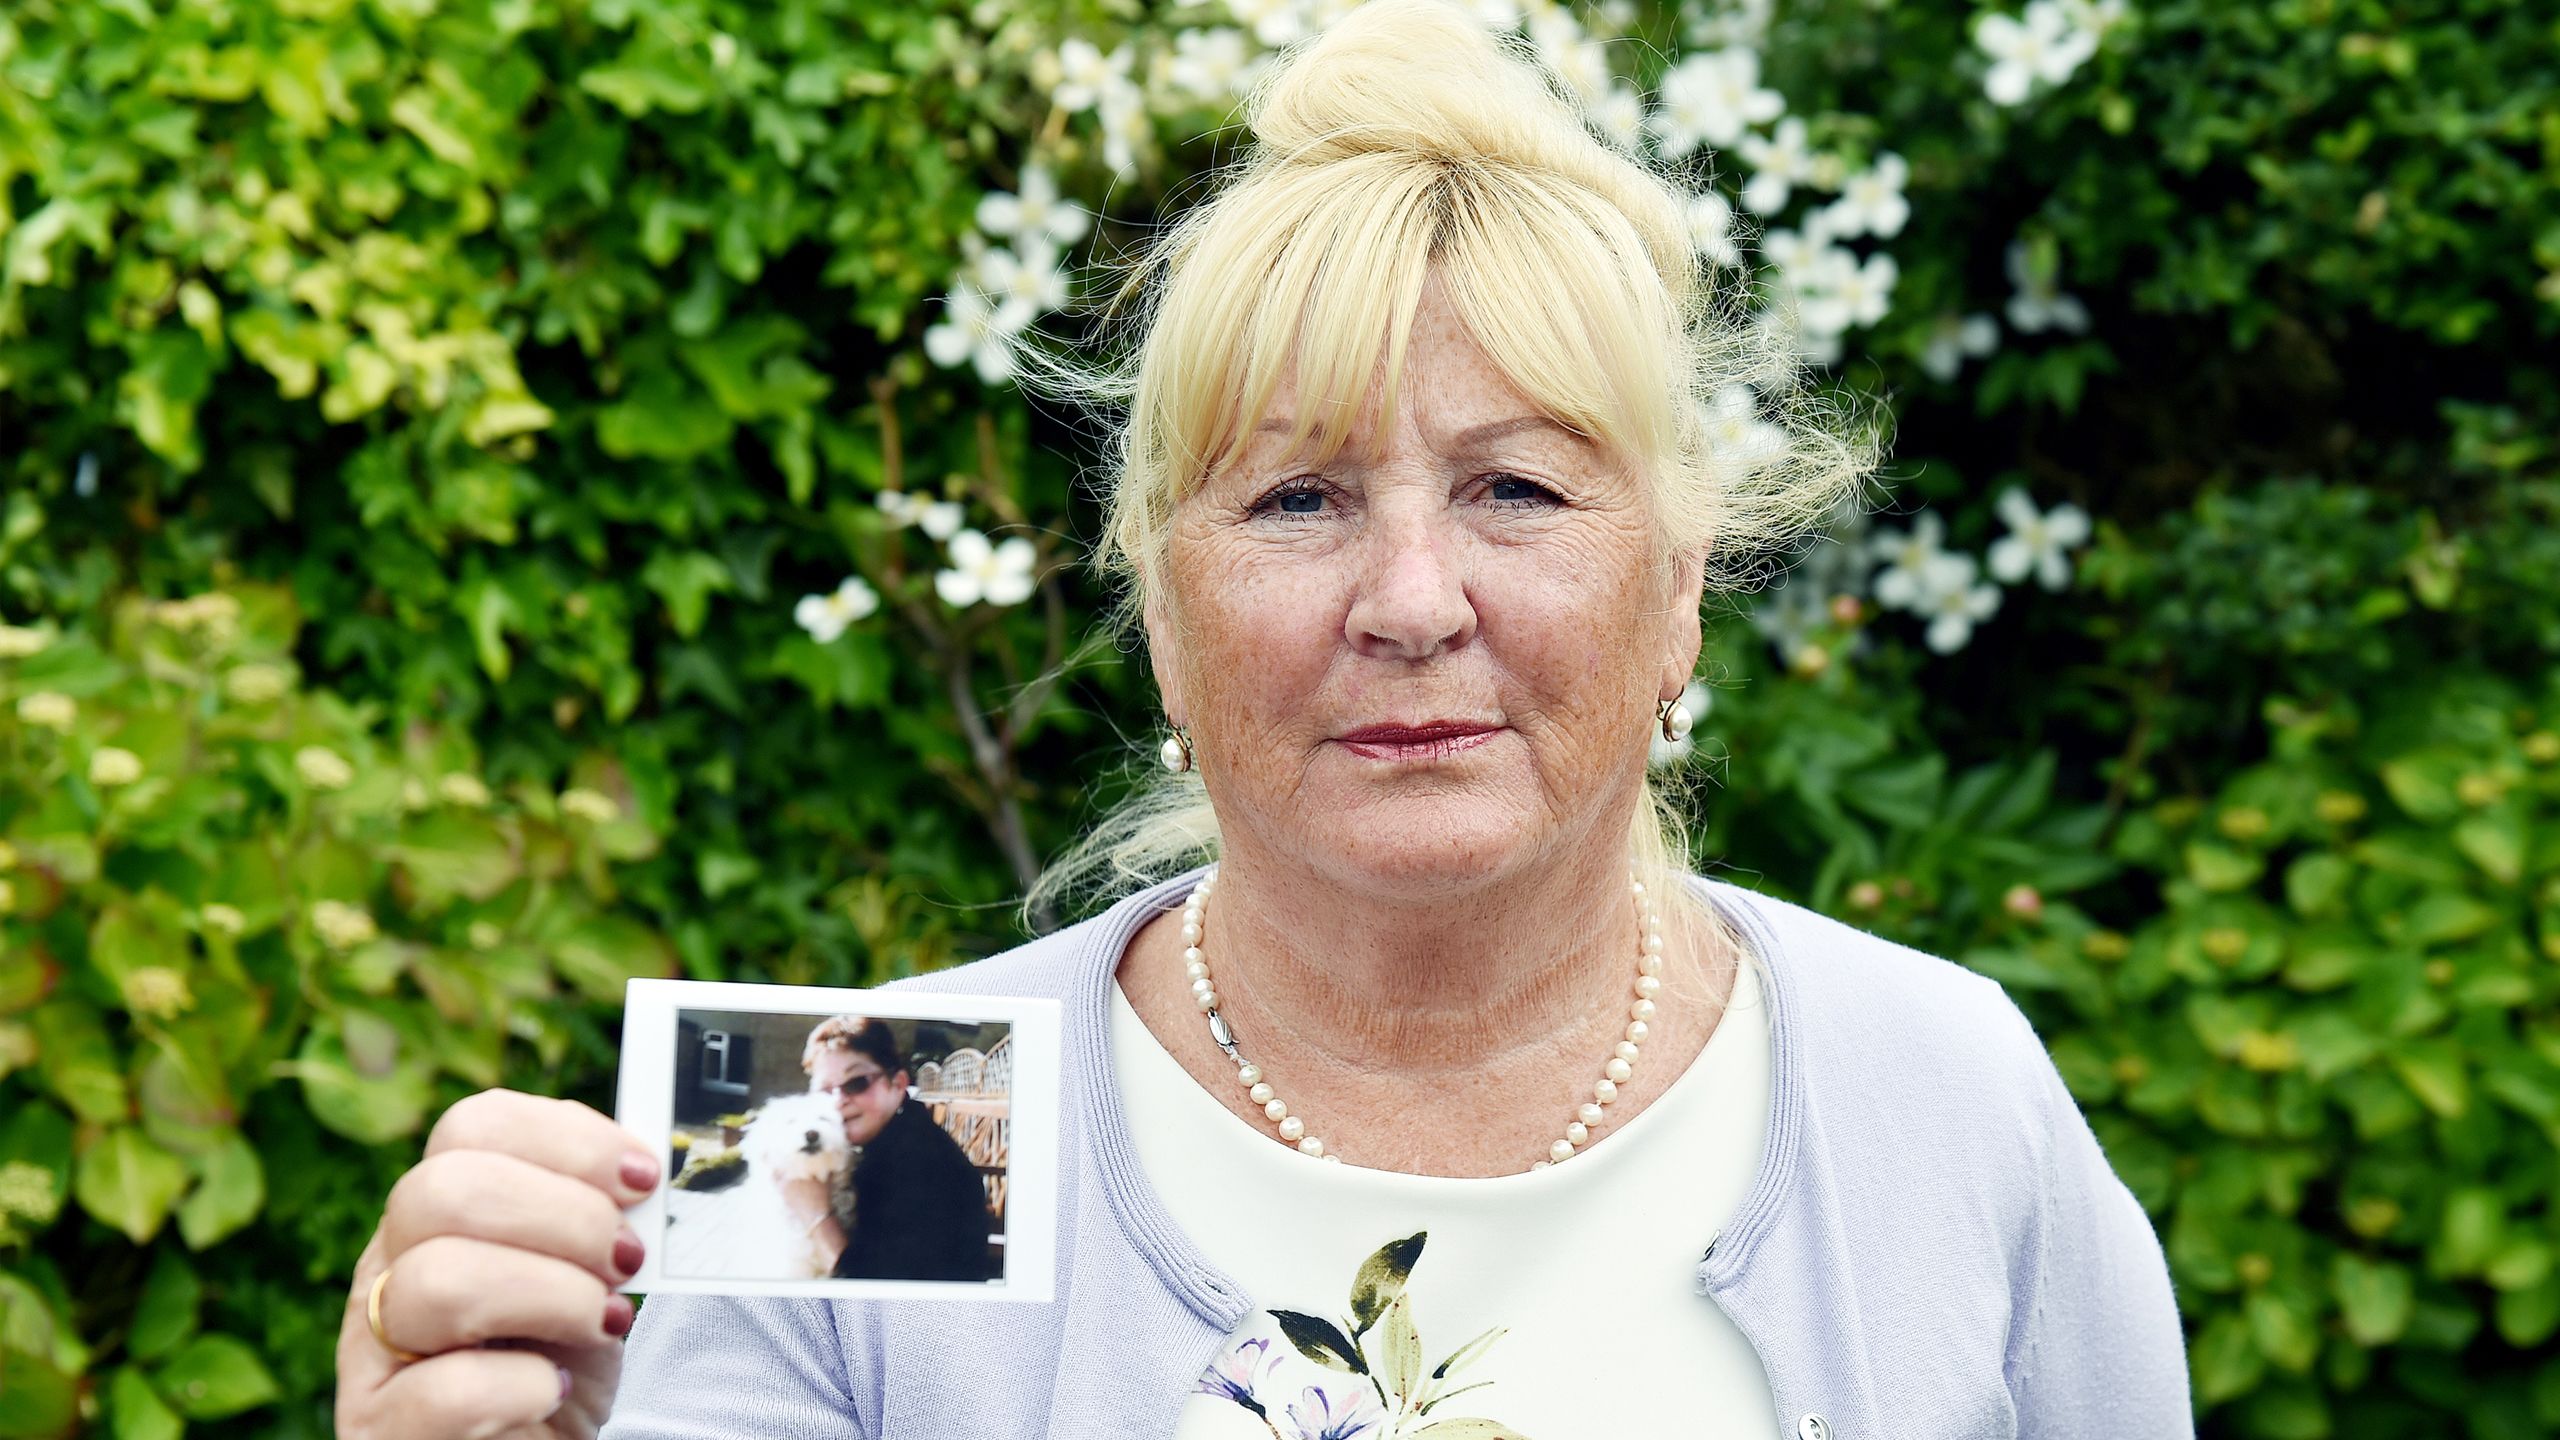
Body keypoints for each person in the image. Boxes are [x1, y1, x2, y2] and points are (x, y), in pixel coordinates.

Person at [333, 3, 2193, 1437]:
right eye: (1295, 500)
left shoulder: (1935, 1091)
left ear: (1681, 584)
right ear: (1161, 604)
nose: (1408, 600)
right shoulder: (883, 1122)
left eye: (1519, 492)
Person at [781, 1016, 994, 1282]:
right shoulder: (888, 1140)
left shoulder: (923, 1167)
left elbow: (871, 1293)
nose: (838, 1102)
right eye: (824, 1091)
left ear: (898, 1083)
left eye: (857, 1083)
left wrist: (815, 1215)